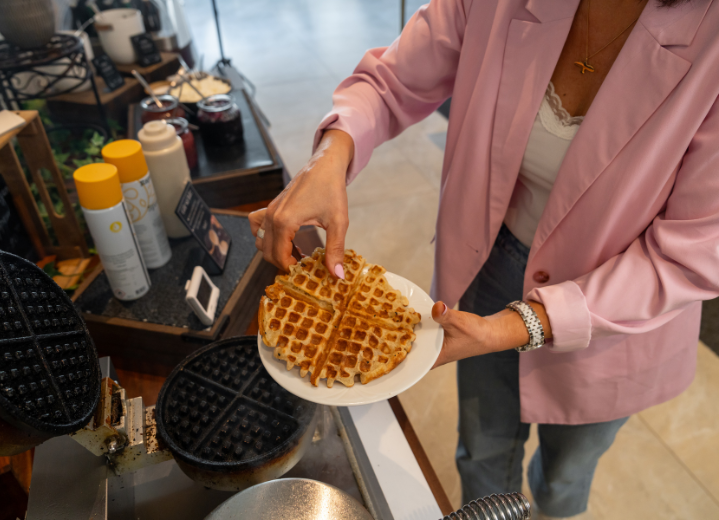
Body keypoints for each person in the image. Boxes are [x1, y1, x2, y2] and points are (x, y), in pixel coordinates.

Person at [249, 0, 719, 517]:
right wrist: (330, 156)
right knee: (483, 451)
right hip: (488, 266)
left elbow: (692, 251)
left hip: (616, 314)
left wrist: (525, 325)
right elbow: (391, 82)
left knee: (564, 478)